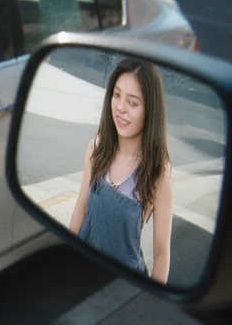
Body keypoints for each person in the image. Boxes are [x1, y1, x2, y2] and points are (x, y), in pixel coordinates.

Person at [67, 58, 173, 283]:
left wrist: (149, 301)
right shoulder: (97, 147)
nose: (121, 108)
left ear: (150, 111)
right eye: (116, 95)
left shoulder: (158, 171)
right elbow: (81, 209)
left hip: (124, 288)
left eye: (133, 103)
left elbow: (162, 253)